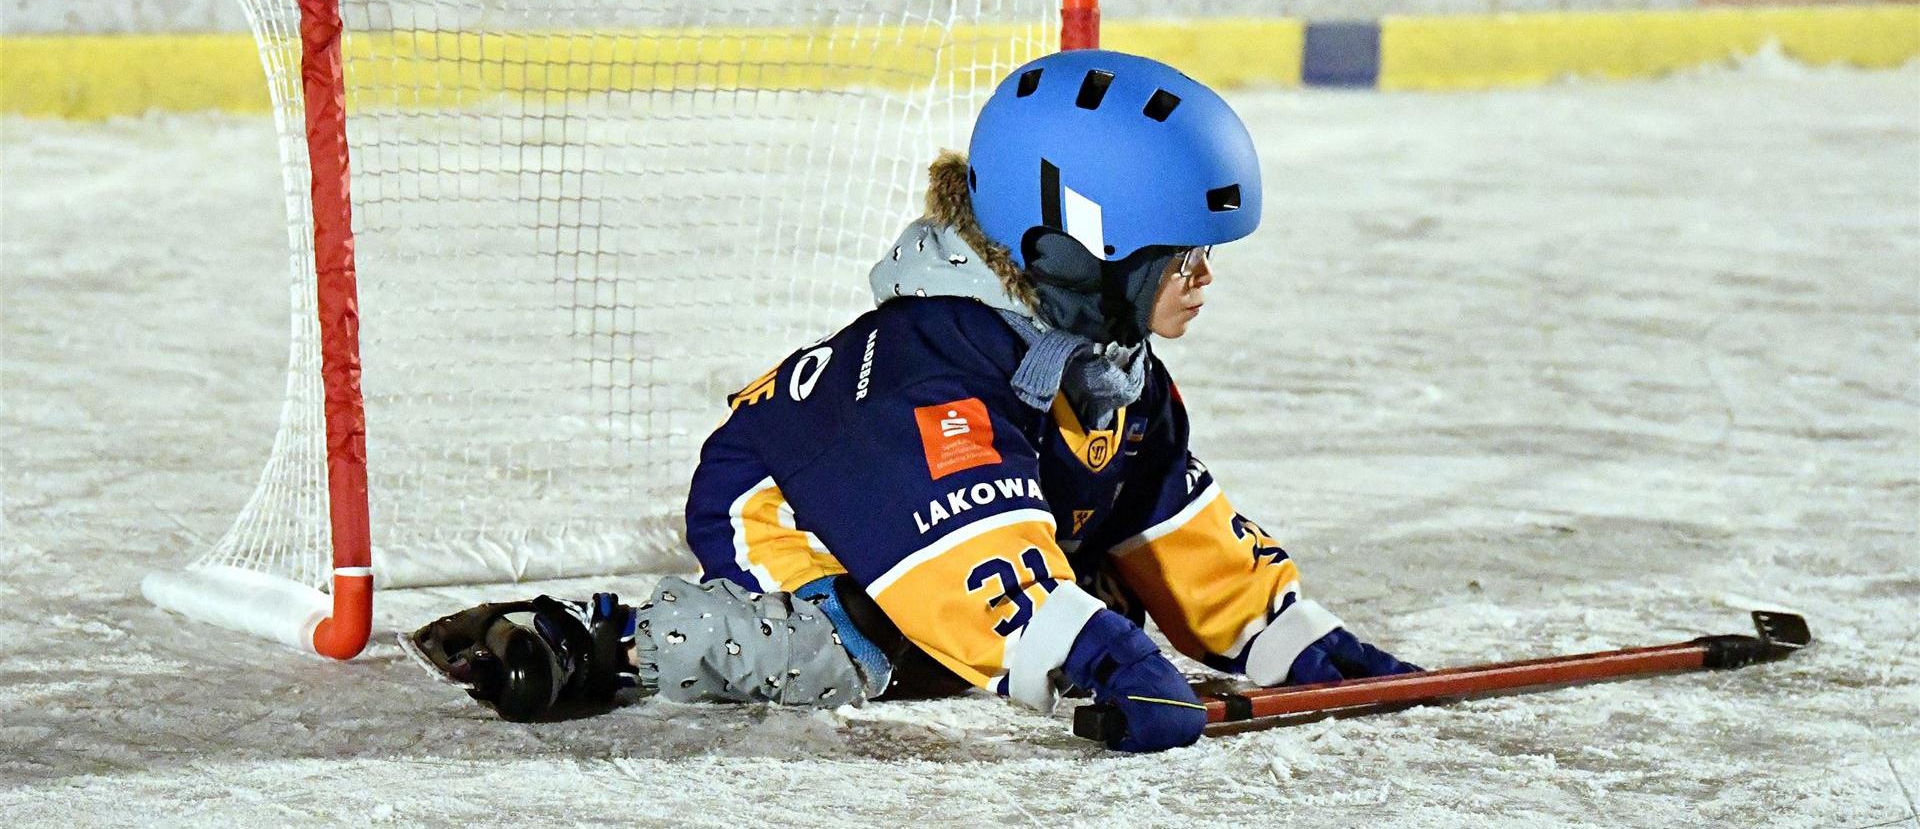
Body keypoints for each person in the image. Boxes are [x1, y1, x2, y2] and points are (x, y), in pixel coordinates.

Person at [403, 50, 1416, 752]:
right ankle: (610, 636)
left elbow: (1162, 510)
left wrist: (1294, 640)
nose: (1204, 278)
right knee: (853, 649)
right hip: (794, 508)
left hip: (963, 507)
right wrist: (1094, 661)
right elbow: (964, 565)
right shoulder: (933, 369)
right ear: (1070, 249)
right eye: (1178, 255)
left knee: (1099, 601)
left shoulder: (1109, 364)